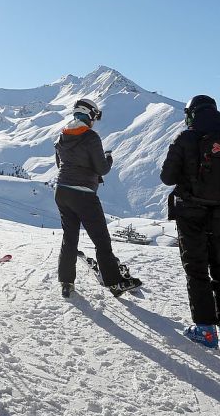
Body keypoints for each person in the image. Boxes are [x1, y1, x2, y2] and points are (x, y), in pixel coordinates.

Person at [160, 95, 220, 349]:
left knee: (196, 268)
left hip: (190, 210)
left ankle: (205, 329)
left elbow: (167, 177)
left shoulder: (185, 138)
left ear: (191, 114)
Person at [54, 98, 141, 298]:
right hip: (83, 194)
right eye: (94, 117)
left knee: (70, 238)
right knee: (101, 240)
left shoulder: (62, 136)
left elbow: (61, 164)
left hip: (62, 191)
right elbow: (101, 168)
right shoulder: (91, 137)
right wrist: (108, 158)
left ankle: (66, 282)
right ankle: (114, 283)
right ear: (90, 114)